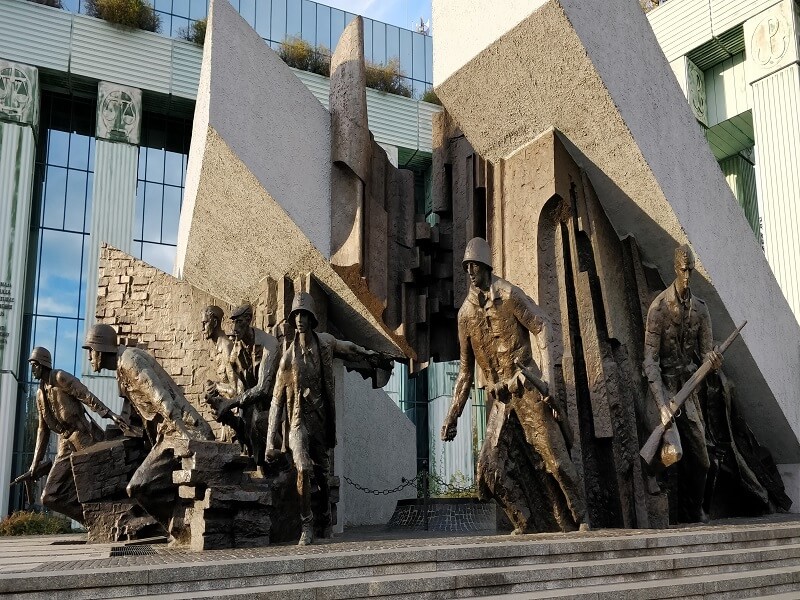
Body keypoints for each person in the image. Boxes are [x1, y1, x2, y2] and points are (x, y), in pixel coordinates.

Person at [441, 237, 588, 533]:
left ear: (486, 266)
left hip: (526, 387)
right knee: (488, 469)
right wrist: (452, 415)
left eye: (475, 265)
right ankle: (525, 522)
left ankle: (582, 516)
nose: (470, 271)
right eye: (467, 266)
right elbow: (465, 372)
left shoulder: (509, 295)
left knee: (556, 461)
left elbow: (542, 325)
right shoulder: (465, 315)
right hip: (501, 399)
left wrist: (547, 379)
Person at [267, 292, 377, 545]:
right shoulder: (287, 359)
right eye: (296, 315)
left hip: (320, 420)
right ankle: (306, 524)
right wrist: (270, 442)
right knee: (303, 467)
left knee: (322, 476)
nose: (300, 319)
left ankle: (324, 515)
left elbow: (347, 347)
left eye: (304, 315)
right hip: (297, 422)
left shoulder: (325, 344)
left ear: (312, 319)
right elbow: (276, 401)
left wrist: (369, 355)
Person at [83, 323, 215, 529]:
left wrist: (186, 438)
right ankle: (177, 526)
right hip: (169, 435)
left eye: (90, 351)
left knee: (138, 486)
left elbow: (161, 398)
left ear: (99, 350)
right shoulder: (123, 364)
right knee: (146, 486)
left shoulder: (130, 361)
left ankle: (178, 528)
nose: (89, 357)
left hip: (181, 432)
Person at [643, 244, 722, 523]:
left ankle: (694, 509)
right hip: (664, 389)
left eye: (690, 270)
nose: (687, 275)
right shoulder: (658, 308)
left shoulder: (701, 309)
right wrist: (661, 404)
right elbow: (649, 362)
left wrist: (713, 362)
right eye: (683, 269)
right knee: (672, 452)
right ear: (675, 269)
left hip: (688, 391)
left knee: (703, 460)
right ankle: (650, 476)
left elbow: (705, 355)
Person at [25, 346, 128, 523]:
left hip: (83, 437)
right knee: (49, 496)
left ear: (43, 364)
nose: (32, 369)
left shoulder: (60, 377)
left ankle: (113, 518)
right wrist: (35, 463)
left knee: (98, 485)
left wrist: (109, 414)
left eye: (34, 365)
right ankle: (94, 522)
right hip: (64, 443)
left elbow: (86, 395)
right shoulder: (39, 394)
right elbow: (42, 429)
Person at [214, 303, 281, 469]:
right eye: (233, 322)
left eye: (239, 322)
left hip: (275, 405)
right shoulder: (236, 352)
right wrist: (224, 406)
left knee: (260, 422)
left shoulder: (269, 344)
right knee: (245, 424)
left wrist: (231, 403)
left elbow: (263, 388)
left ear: (249, 320)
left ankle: (282, 464)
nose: (234, 328)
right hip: (253, 407)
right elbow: (240, 388)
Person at [200, 305, 241, 443]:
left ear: (215, 322)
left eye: (205, 323)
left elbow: (236, 391)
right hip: (226, 414)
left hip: (236, 415)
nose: (202, 328)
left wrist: (216, 387)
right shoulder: (217, 347)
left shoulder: (226, 346)